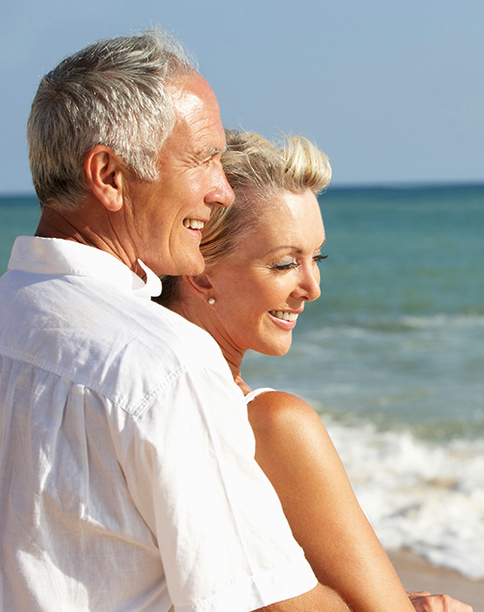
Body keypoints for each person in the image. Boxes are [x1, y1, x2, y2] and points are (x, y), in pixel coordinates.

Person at [0, 31, 349, 612]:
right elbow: (263, 605)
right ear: (109, 175)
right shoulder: (164, 364)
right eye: (202, 159)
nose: (223, 192)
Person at [157, 129, 472, 612]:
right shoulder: (271, 423)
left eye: (316, 257)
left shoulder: (140, 390)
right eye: (285, 264)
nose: (313, 287)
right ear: (200, 271)